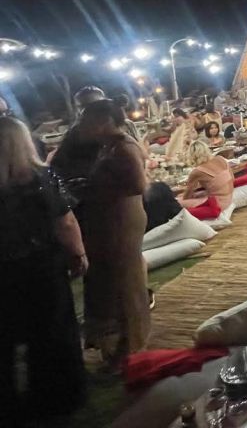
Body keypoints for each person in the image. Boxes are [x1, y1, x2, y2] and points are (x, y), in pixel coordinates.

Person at [0, 117, 87, 421]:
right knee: (52, 333)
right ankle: (57, 398)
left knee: (5, 340)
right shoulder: (42, 176)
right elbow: (65, 221)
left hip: (5, 271)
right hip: (41, 267)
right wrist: (78, 253)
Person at [65, 100, 150, 363]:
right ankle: (122, 344)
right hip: (110, 217)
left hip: (123, 218)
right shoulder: (108, 146)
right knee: (114, 280)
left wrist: (97, 189)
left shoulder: (124, 147)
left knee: (126, 280)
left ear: (104, 121)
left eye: (86, 120)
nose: (82, 126)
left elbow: (139, 184)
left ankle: (132, 346)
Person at [179, 140, 234, 209]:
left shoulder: (197, 171)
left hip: (217, 204)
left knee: (178, 202)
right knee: (196, 194)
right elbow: (232, 178)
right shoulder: (220, 159)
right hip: (229, 198)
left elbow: (187, 196)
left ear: (192, 156)